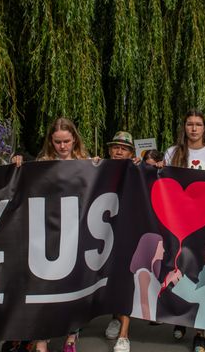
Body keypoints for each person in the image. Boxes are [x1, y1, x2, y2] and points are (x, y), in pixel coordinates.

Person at [162, 110, 205, 352]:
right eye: (190, 124)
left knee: (201, 272)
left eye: (198, 124)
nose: (194, 128)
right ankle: (181, 319)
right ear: (184, 127)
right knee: (178, 268)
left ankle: (201, 331)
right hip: (177, 223)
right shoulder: (172, 152)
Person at [32, 118, 89, 352]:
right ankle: (42, 339)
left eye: (66, 141)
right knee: (44, 287)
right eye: (58, 142)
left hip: (75, 231)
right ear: (51, 141)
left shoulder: (85, 162)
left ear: (74, 139)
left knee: (72, 286)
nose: (63, 146)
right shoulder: (42, 163)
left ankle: (71, 336)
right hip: (47, 230)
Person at [101, 131, 139, 352]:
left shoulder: (136, 170)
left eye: (123, 148)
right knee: (109, 276)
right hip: (103, 231)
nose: (118, 151)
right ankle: (115, 318)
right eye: (115, 147)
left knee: (125, 277)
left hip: (128, 230)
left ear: (131, 153)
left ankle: (124, 333)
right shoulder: (99, 169)